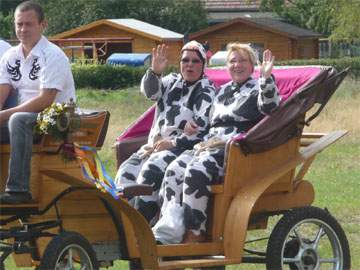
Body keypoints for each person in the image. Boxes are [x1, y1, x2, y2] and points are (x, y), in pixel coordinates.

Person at [153, 43, 281, 244]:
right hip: (207, 145)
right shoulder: (221, 91)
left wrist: (265, 78)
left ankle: (196, 232)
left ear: (252, 65)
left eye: (242, 61)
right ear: (227, 66)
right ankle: (170, 226)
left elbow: (270, 107)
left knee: (195, 170)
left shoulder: (257, 88)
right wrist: (190, 127)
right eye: (232, 61)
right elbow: (207, 123)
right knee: (174, 169)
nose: (237, 65)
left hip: (235, 150)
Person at [115, 41, 216, 225]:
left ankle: (143, 227)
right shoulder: (171, 81)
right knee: (126, 171)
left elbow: (202, 130)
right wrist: (155, 72)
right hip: (154, 147)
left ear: (203, 65)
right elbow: (150, 93)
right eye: (185, 60)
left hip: (183, 149)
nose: (190, 65)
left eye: (195, 61)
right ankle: (122, 225)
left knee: (150, 170)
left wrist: (173, 143)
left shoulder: (206, 89)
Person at [0, 1, 75, 204]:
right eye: (19, 24)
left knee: (18, 120)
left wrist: (4, 116)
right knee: (18, 119)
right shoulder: (9, 56)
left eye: (29, 24)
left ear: (43, 25)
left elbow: (45, 101)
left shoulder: (53, 55)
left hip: (58, 119)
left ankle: (19, 191)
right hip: (27, 120)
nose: (23, 29)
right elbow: (2, 94)